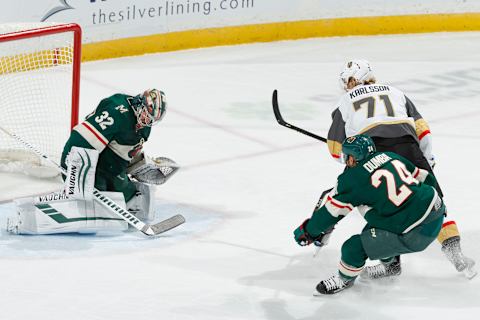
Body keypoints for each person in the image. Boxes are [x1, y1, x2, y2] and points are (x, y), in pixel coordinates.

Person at [323, 59, 475, 278]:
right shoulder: (396, 92)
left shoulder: (345, 101)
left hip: (377, 155)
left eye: (348, 81)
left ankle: (391, 264)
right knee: (435, 202)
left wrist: (352, 155)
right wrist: (426, 158)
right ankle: (456, 255)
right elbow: (422, 129)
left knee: (383, 205)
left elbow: (336, 150)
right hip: (410, 148)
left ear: (356, 79)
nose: (347, 86)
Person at [7, 89, 179, 235]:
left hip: (111, 167)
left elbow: (127, 152)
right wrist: (75, 171)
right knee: (92, 204)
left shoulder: (144, 128)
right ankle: (32, 214)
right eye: (146, 115)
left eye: (152, 120)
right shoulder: (117, 110)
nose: (147, 121)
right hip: (87, 161)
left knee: (128, 197)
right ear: (139, 103)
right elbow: (81, 140)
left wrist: (141, 165)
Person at [294, 134, 445, 294]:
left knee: (353, 247)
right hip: (437, 208)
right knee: (374, 224)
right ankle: (391, 265)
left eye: (347, 157)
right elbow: (426, 177)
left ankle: (344, 279)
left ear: (352, 158)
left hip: (415, 233)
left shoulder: (352, 180)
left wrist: (308, 231)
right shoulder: (389, 155)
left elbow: (330, 214)